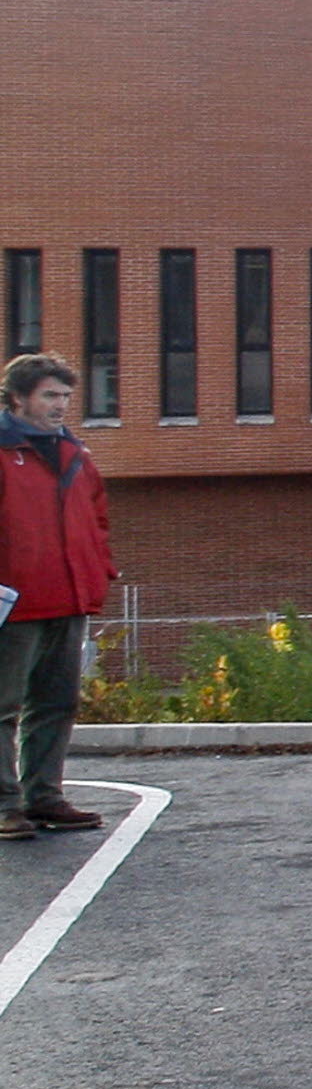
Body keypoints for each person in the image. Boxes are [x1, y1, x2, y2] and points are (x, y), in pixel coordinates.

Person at [0, 354, 115, 839]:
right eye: (50, 395)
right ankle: (5, 806)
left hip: (68, 599)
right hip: (12, 605)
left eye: (66, 396)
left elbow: (98, 521)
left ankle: (44, 796)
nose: (61, 405)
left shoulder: (76, 455)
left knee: (58, 703)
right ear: (18, 398)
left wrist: (99, 574)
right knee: (3, 708)